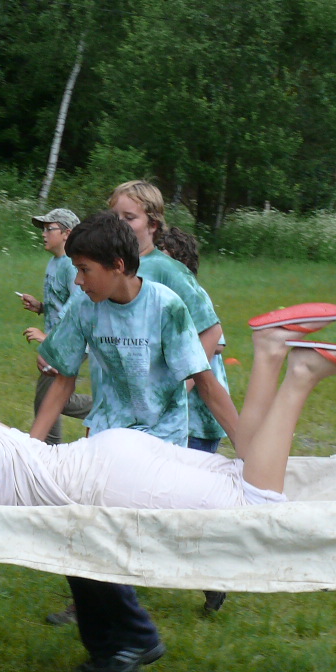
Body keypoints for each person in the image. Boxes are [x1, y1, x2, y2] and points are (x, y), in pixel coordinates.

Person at [27, 210, 242, 672]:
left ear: (119, 265)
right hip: (105, 438)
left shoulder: (165, 306)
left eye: (85, 270)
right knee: (76, 532)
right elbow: (64, 378)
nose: (77, 280)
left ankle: (134, 638)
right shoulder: (85, 306)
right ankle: (112, 648)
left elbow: (205, 382)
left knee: (104, 538)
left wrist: (247, 447)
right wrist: (31, 448)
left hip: (158, 443)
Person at [0, 324, 336, 509]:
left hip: (106, 481)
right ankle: (270, 350)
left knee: (255, 505)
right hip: (109, 457)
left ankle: (298, 373)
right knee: (245, 475)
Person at [111, 182, 233, 611]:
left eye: (129, 218)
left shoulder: (168, 271)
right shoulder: (112, 268)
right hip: (136, 413)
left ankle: (212, 572)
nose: (121, 225)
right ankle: (107, 591)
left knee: (180, 507)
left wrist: (179, 385)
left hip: (191, 414)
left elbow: (212, 331)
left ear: (153, 223)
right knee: (121, 498)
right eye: (115, 217)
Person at [18, 207, 93, 448]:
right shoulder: (54, 263)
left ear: (66, 233)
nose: (43, 234)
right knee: (48, 399)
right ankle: (50, 449)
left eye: (49, 229)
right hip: (58, 340)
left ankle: (109, 409)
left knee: (51, 400)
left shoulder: (72, 265)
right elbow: (61, 302)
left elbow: (77, 304)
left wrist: (49, 338)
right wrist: (40, 307)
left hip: (69, 341)